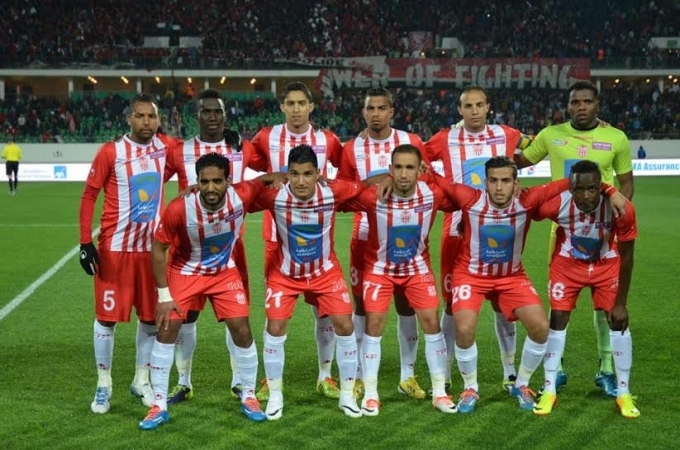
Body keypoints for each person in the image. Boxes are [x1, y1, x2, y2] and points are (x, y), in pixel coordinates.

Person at [139, 153, 275, 430]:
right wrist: (164, 296)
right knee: (167, 328)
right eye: (204, 182)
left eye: (217, 181)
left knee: (242, 329)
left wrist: (287, 176)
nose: (210, 188)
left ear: (228, 181)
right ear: (197, 182)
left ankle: (249, 396)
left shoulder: (241, 195)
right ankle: (159, 405)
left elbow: (264, 180)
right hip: (185, 271)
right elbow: (158, 248)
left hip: (223, 272)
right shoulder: (180, 208)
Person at [515, 80, 634, 397]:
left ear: (597, 104)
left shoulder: (616, 137)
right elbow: (520, 162)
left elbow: (626, 183)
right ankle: (557, 369)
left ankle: (606, 370)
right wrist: (505, 136)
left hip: (603, 234)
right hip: (564, 232)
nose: (581, 107)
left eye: (587, 101)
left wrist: (618, 216)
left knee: (605, 306)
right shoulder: (551, 135)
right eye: (575, 102)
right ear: (568, 106)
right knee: (559, 305)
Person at [424, 85, 534, 394]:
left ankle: (510, 372)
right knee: (451, 305)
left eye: (479, 105)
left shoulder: (506, 134)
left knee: (503, 302)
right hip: (457, 230)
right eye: (468, 106)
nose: (474, 111)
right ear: (459, 110)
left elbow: (539, 145)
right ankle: (446, 372)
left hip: (499, 228)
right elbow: (416, 155)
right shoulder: (444, 138)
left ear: (488, 107)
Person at [78, 93, 184, 414]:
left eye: (152, 116)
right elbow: (89, 195)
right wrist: (85, 243)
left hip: (152, 252)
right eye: (140, 116)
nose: (146, 122)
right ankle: (103, 384)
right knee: (106, 318)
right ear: (129, 119)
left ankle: (141, 379)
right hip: (115, 251)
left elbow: (199, 150)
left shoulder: (166, 147)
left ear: (159, 119)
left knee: (151, 318)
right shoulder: (111, 152)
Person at [254, 144, 371, 420]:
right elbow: (239, 194)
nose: (301, 181)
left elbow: (363, 186)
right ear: (287, 175)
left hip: (325, 273)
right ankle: (275, 395)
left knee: (345, 325)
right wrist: (265, 177)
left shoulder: (333, 191)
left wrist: (389, 178)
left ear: (318, 174)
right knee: (275, 327)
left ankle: (346, 395)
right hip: (285, 275)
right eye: (294, 174)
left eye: (307, 174)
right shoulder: (275, 196)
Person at [339, 144, 457, 415]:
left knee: (431, 322)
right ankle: (371, 394)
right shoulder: (373, 197)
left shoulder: (432, 195)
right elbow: (340, 197)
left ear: (420, 170)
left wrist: (435, 177)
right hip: (380, 270)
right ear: (390, 170)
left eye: (410, 168)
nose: (404, 174)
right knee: (374, 324)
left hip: (417, 269)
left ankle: (439, 392)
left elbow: (463, 199)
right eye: (399, 168)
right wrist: (375, 181)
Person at [165, 89, 263, 405]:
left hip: (231, 249)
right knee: (186, 318)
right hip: (190, 250)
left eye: (216, 111)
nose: (211, 116)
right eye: (205, 111)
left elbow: (270, 165)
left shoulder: (242, 147)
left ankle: (240, 383)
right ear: (197, 116)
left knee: (237, 317)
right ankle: (183, 382)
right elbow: (153, 176)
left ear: (224, 115)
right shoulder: (180, 150)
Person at [250, 81, 344, 401]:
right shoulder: (266, 137)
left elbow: (345, 167)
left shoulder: (327, 140)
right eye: (290, 103)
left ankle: (325, 375)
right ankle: (269, 379)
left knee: (324, 311)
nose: (295, 109)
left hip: (317, 234)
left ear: (311, 106)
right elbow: (249, 164)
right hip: (276, 238)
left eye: (301, 103)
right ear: (282, 107)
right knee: (275, 312)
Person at [336, 87, 430, 400]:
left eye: (381, 108)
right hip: (366, 239)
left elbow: (426, 179)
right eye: (370, 109)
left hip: (406, 235)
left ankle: (407, 376)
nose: (375, 114)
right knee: (362, 306)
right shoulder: (352, 148)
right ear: (363, 112)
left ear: (392, 111)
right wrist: (378, 181)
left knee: (407, 305)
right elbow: (344, 193)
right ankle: (359, 376)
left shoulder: (411, 141)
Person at [531, 160, 639, 418]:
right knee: (557, 319)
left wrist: (621, 303)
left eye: (592, 189)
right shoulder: (559, 203)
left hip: (606, 264)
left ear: (601, 187)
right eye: (578, 189)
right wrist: (564, 186)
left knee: (617, 321)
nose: (586, 195)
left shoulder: (621, 209)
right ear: (570, 188)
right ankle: (549, 389)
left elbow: (627, 257)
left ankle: (624, 393)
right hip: (567, 265)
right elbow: (531, 203)